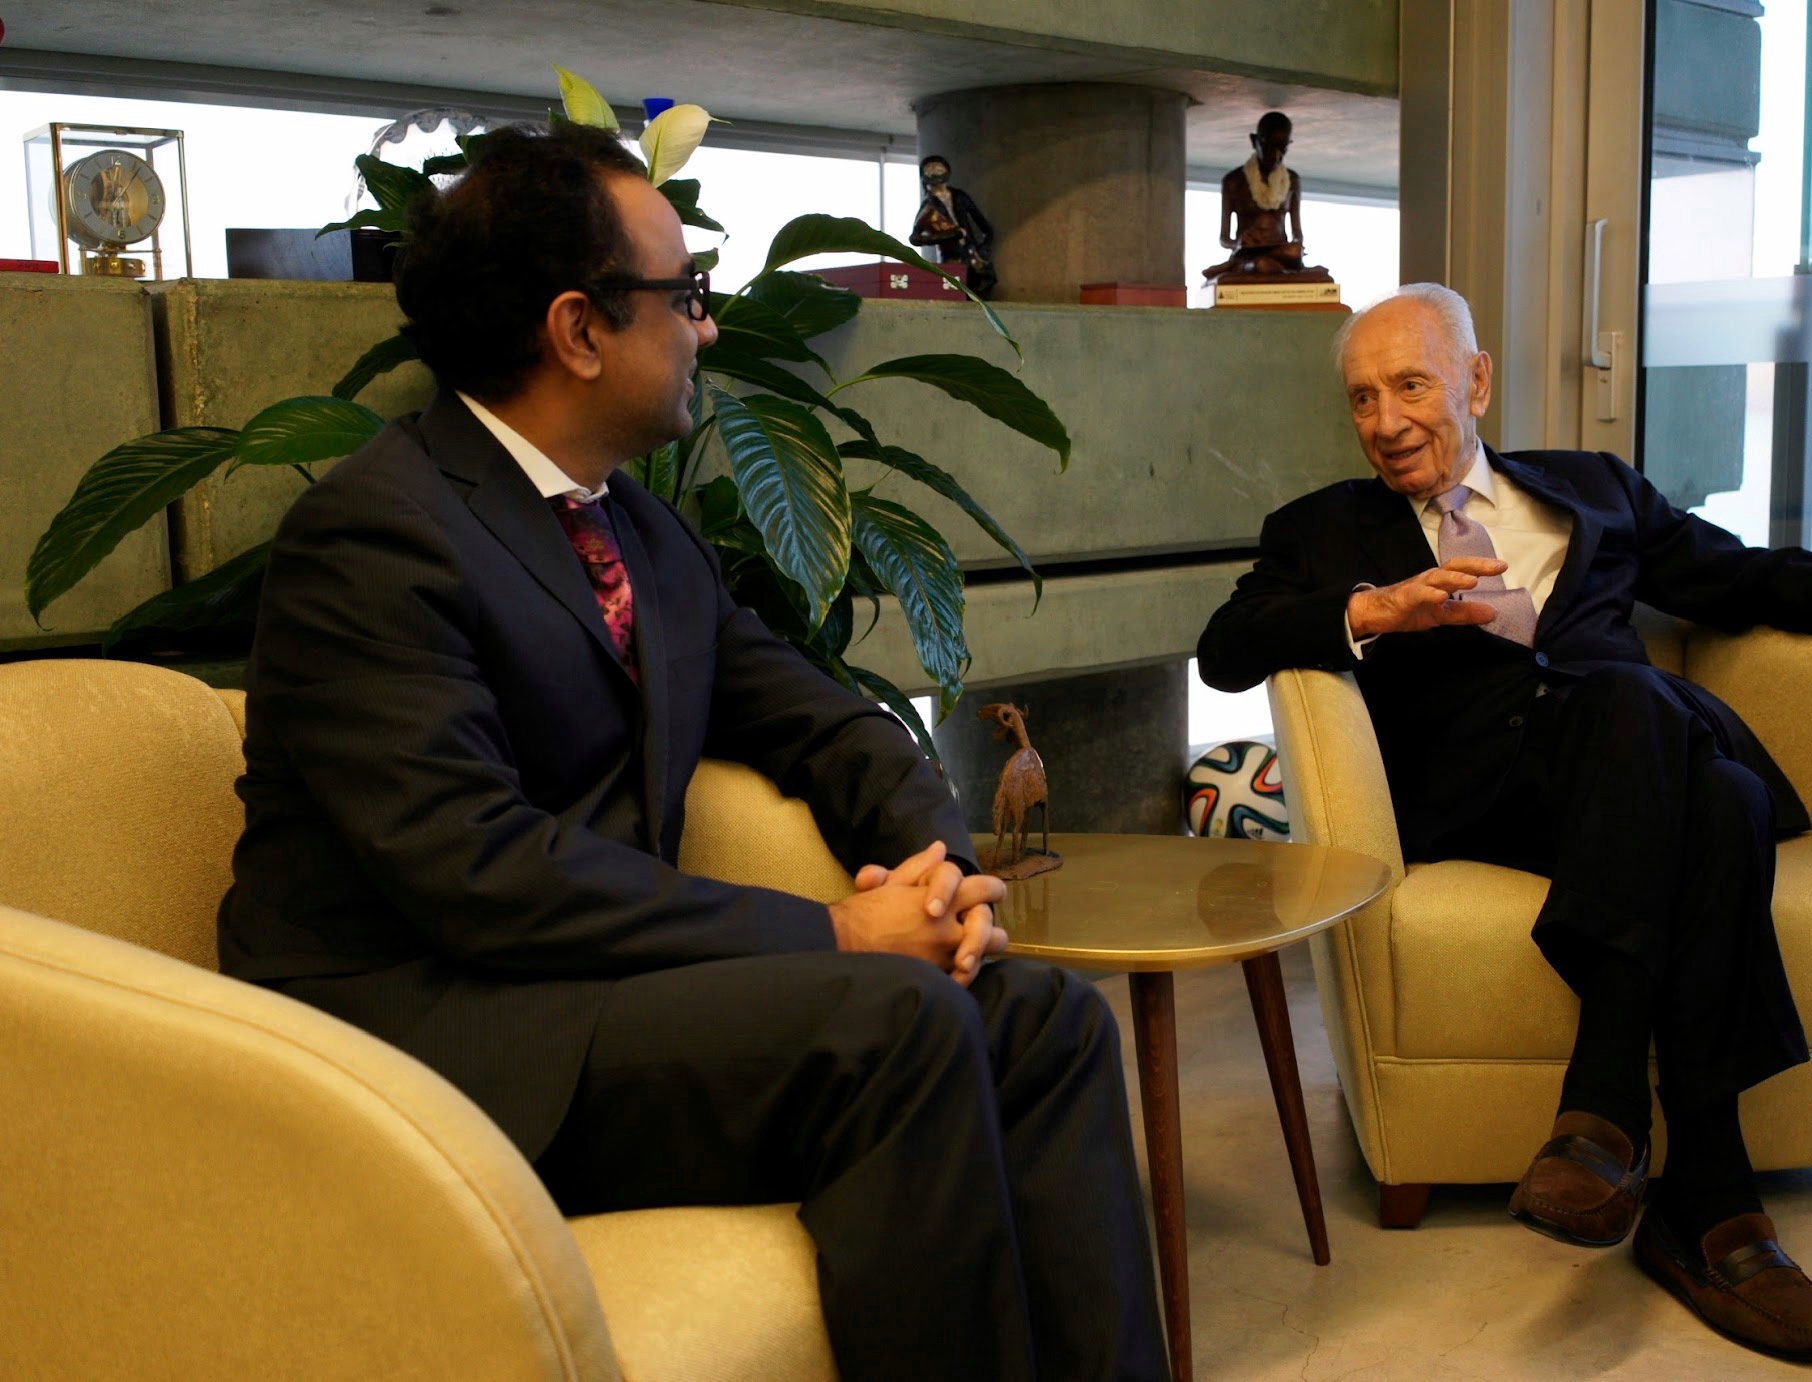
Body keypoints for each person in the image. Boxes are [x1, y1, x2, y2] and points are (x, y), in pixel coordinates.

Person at [218, 123, 1166, 1382]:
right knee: (893, 1024)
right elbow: (477, 869)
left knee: (1045, 1019)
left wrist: (934, 869)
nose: (707, 329)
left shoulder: (641, 536)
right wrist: (834, 932)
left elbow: (822, 719)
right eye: (687, 295)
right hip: (438, 1036)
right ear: (579, 329)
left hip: (611, 993)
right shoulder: (375, 534)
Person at [1196, 283, 1812, 1363]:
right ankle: (1698, 1190)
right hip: (1487, 794)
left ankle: (1626, 1136)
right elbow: (1224, 647)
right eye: (1362, 398)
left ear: (1475, 381)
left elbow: (1747, 576)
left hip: (1630, 766)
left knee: (1680, 752)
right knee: (1695, 768)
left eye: (1410, 386)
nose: (1386, 421)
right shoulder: (1320, 527)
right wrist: (1378, 607)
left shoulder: (1596, 490)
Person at [1199, 111, 1328, 282]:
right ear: (1255, 141)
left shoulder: (1292, 180)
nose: (1275, 154)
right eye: (1269, 146)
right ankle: (1245, 266)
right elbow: (1224, 239)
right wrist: (1238, 243)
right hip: (1248, 253)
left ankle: (1267, 268)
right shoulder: (1234, 181)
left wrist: (1297, 244)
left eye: (1282, 147)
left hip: (1282, 253)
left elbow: (1297, 233)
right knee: (1262, 265)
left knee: (1292, 253)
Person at [909, 154, 997, 298]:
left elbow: (986, 229)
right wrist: (949, 236)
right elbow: (915, 238)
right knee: (955, 295)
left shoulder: (960, 197)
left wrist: (983, 250)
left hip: (973, 255)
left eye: (939, 168)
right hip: (951, 259)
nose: (935, 172)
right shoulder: (928, 206)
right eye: (930, 169)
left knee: (982, 290)